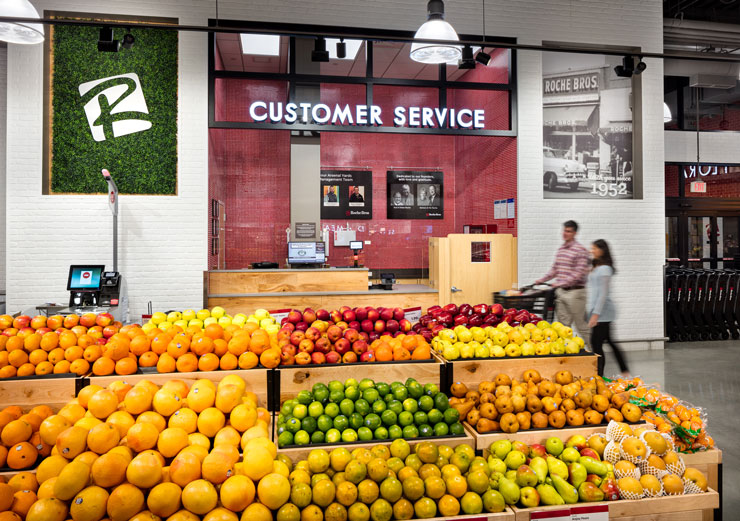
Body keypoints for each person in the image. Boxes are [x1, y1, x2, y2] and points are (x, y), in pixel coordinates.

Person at [535, 220, 591, 347]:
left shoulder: (580, 250)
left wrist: (560, 282)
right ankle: (567, 352)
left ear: (575, 233)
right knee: (562, 326)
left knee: (581, 326)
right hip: (561, 292)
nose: (565, 233)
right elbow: (555, 269)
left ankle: (595, 354)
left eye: (569, 231)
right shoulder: (561, 249)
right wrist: (542, 280)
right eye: (564, 230)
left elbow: (579, 273)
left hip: (576, 293)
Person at [588, 239, 630, 377]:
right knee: (609, 342)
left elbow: (603, 294)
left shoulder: (605, 269)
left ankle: (599, 376)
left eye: (594, 248)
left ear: (602, 251)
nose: (591, 251)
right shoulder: (597, 266)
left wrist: (596, 314)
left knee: (597, 344)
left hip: (604, 312)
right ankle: (624, 370)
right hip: (600, 311)